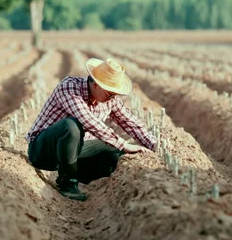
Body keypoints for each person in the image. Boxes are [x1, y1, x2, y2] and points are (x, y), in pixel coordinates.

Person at [25, 57, 157, 201]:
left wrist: (154, 145)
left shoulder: (109, 100)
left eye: (115, 94)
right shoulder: (69, 87)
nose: (113, 97)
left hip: (76, 150)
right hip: (43, 150)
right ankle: (68, 183)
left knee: (115, 153)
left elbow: (129, 121)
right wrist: (124, 144)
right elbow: (87, 120)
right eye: (110, 93)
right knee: (71, 125)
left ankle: (81, 175)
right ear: (96, 85)